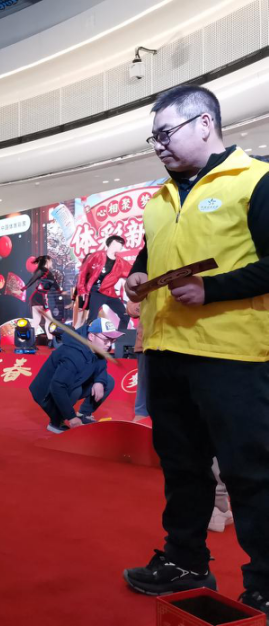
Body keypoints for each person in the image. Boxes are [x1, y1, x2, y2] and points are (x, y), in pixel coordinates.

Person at [122, 86, 269, 618]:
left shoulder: (255, 180)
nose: (158, 145)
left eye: (166, 133)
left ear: (204, 123)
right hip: (166, 350)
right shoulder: (159, 199)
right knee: (182, 467)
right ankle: (185, 560)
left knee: (251, 472)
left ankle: (265, 583)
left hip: (233, 354)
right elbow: (153, 255)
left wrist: (214, 289)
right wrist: (138, 274)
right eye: (154, 137)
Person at [29, 318, 120, 434]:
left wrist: (99, 382)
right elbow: (57, 386)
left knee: (107, 380)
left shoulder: (97, 346)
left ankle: (83, 414)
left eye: (112, 340)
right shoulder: (73, 354)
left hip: (73, 380)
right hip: (47, 392)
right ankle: (56, 422)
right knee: (75, 389)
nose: (109, 344)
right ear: (91, 336)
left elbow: (101, 365)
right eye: (106, 340)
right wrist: (71, 417)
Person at [78, 235, 132, 329]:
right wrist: (81, 289)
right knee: (92, 319)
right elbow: (83, 271)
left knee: (125, 316)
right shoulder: (97, 255)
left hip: (110, 293)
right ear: (112, 244)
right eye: (119, 243)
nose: (121, 246)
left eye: (122, 244)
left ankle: (120, 336)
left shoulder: (121, 262)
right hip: (96, 292)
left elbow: (132, 272)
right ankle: (87, 336)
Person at [26, 255, 63, 337]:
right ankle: (50, 339)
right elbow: (54, 284)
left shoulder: (43, 271)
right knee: (49, 320)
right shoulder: (45, 272)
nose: (52, 263)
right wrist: (61, 291)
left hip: (36, 298)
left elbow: (52, 284)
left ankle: (30, 340)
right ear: (47, 261)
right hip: (40, 298)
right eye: (51, 261)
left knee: (36, 321)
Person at [126, 300, 148, 422]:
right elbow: (131, 309)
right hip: (145, 343)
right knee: (144, 380)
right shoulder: (145, 288)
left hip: (176, 344)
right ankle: (141, 413)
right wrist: (150, 304)